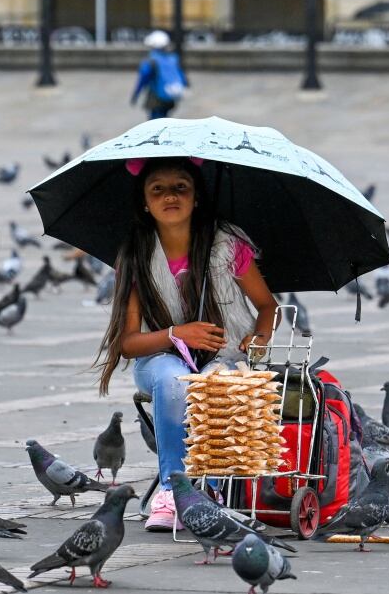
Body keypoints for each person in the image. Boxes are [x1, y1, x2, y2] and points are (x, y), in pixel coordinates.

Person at [93, 157, 278, 531]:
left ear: (196, 198)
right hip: (158, 360)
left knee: (213, 384)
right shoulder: (136, 254)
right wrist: (177, 334)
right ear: (145, 202)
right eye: (157, 189)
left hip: (224, 357)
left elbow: (266, 307)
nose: (170, 196)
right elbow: (128, 344)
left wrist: (257, 339)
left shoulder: (226, 245)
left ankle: (210, 487)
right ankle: (171, 491)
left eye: (181, 187)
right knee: (173, 378)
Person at [130, 30, 189, 120]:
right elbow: (182, 77)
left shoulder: (150, 61)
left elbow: (143, 80)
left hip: (156, 97)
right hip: (170, 96)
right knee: (165, 119)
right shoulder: (173, 58)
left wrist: (136, 95)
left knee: (155, 123)